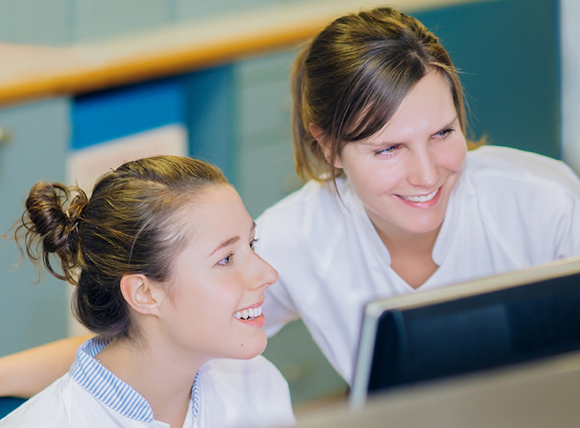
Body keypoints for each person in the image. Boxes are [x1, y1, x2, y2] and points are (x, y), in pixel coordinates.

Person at [1, 5, 580, 396]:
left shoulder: (545, 201)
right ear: (328, 147)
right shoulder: (296, 239)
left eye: (443, 133)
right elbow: (142, 348)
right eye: (388, 149)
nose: (427, 173)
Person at [0, 156, 295, 427]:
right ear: (144, 293)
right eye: (226, 259)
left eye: (252, 244)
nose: (269, 274)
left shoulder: (256, 385)